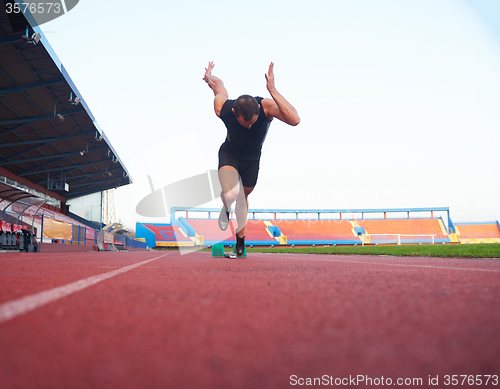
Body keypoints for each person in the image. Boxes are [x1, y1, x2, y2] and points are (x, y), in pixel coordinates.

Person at [203, 62, 300, 256]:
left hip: (252, 159)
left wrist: (272, 90)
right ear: (234, 114)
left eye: (252, 123)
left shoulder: (266, 107)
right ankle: (225, 206)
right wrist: (209, 78)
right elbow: (219, 86)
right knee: (231, 194)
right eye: (243, 124)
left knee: (243, 197)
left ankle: (240, 238)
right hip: (230, 154)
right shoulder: (223, 107)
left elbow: (294, 119)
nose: (248, 127)